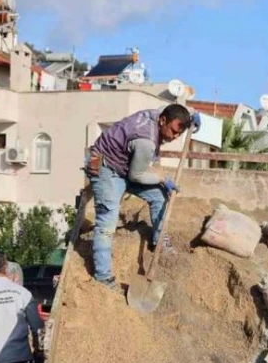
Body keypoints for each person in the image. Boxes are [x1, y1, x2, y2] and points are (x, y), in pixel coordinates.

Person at [84, 103, 200, 290]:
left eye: (179, 133)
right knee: (107, 223)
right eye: (173, 131)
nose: (175, 137)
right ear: (163, 120)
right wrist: (162, 178)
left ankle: (159, 241)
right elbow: (136, 176)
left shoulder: (159, 114)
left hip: (124, 165)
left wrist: (193, 114)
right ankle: (102, 278)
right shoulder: (146, 140)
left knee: (159, 196)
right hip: (105, 166)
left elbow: (172, 108)